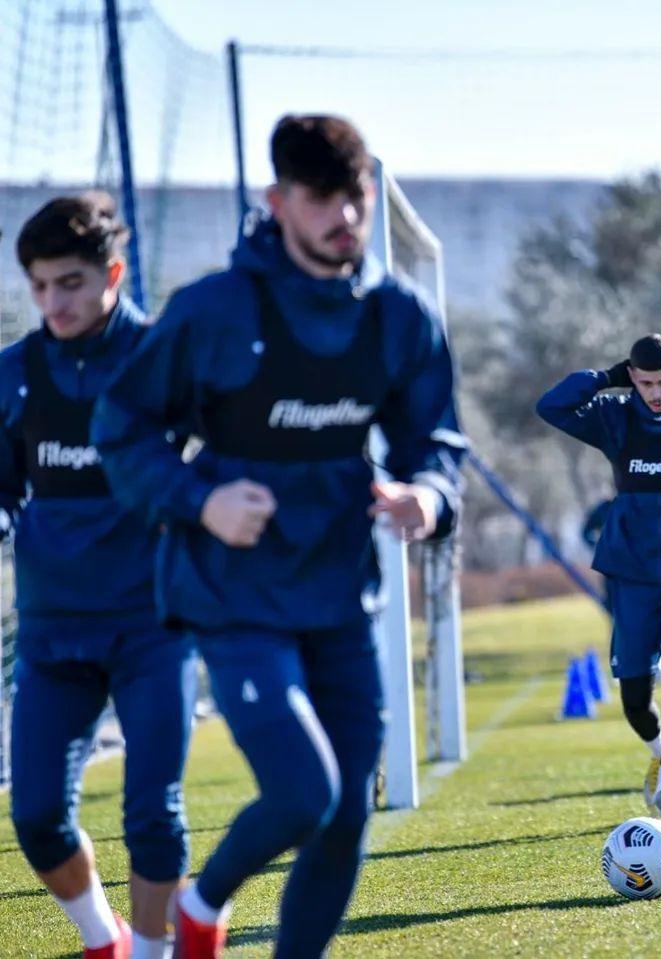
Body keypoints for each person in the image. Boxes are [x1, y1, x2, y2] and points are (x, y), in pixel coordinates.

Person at [92, 115, 466, 959]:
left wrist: (428, 495)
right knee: (304, 791)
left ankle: (227, 920)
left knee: (346, 813)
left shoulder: (397, 316)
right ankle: (202, 902)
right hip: (232, 593)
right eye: (321, 198)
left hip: (339, 595)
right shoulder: (215, 311)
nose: (345, 216)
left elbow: (437, 440)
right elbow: (122, 428)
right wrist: (201, 500)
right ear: (279, 201)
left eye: (355, 196)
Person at [3, 194, 197, 959]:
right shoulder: (14, 375)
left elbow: (227, 456)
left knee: (153, 812)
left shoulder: (165, 359)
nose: (54, 302)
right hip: (53, 631)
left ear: (113, 274)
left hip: (155, 624)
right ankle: (102, 937)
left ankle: (152, 953)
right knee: (36, 817)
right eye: (40, 286)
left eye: (71, 283)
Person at [538, 335, 661, 805]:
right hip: (633, 569)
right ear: (632, 378)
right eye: (644, 383)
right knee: (635, 696)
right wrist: (605, 378)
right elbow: (551, 406)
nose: (655, 393)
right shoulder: (614, 416)